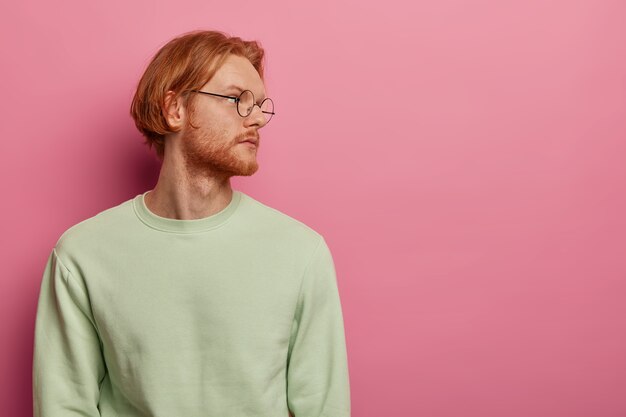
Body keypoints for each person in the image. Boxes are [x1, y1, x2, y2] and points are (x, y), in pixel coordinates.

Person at [32, 30, 351, 417]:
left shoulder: (302, 252)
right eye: (237, 100)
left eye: (261, 105)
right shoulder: (81, 255)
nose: (257, 120)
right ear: (175, 109)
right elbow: (64, 406)